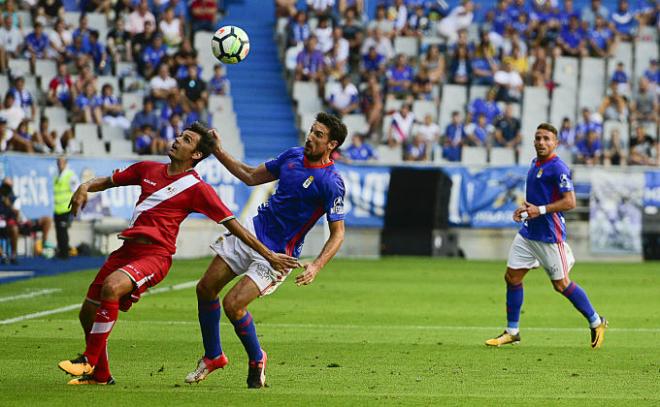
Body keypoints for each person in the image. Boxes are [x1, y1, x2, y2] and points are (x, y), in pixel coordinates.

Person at [57, 122, 298, 385]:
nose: (176, 140)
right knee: (86, 314)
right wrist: (85, 187)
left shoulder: (198, 189)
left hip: (155, 257)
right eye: (179, 136)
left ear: (196, 155)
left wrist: (269, 254)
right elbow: (108, 181)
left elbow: (234, 226)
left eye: (186, 139)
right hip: (126, 251)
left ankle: (88, 361)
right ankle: (101, 375)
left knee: (112, 287)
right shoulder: (147, 169)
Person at [185, 112, 347, 388]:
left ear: (332, 144)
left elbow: (338, 233)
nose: (311, 137)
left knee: (233, 305)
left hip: (278, 255)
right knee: (205, 288)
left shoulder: (332, 183)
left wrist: (316, 265)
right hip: (251, 232)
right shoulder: (293, 156)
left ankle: (257, 357)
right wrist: (218, 151)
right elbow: (249, 176)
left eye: (319, 135)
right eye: (312, 131)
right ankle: (213, 356)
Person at [485, 123, 608, 349]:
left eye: (546, 139)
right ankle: (512, 331)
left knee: (561, 285)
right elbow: (536, 199)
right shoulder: (535, 164)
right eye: (538, 138)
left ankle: (596, 321)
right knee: (512, 277)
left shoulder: (558, 168)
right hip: (528, 232)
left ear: (556, 143)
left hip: (549, 236)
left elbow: (570, 202)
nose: (541, 142)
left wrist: (539, 210)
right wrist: (525, 209)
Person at [53, 157, 80, 259]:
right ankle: (61, 251)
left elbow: (76, 191)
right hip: (57, 209)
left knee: (63, 232)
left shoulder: (70, 175)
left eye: (61, 162)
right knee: (58, 232)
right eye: (58, 162)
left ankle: (65, 254)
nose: (59, 164)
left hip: (66, 208)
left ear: (66, 163)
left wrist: (74, 207)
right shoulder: (56, 176)